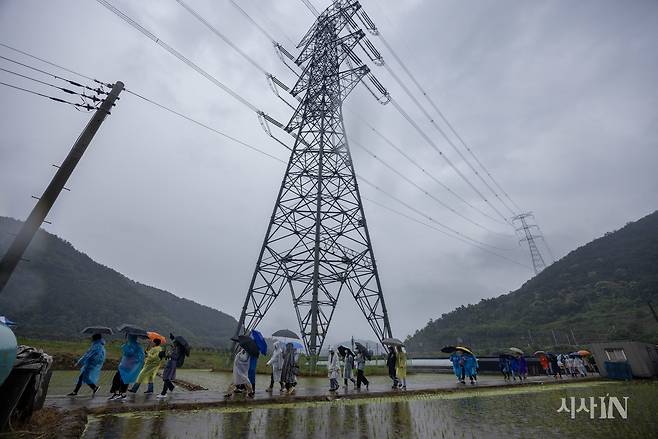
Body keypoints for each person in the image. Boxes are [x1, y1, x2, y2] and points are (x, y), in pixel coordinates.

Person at [109, 334, 145, 401]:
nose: (128, 338)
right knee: (119, 379)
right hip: (125, 365)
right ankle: (120, 394)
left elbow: (129, 353)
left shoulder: (134, 345)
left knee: (120, 380)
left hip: (127, 366)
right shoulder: (135, 345)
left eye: (129, 337)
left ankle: (121, 394)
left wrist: (125, 346)